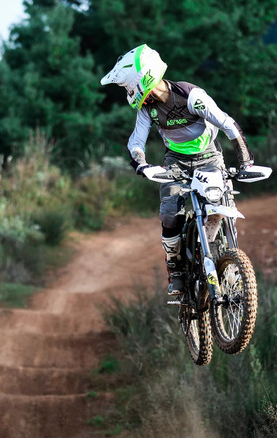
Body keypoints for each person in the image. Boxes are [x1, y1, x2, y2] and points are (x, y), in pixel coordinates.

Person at [100, 44, 257, 295]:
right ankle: (175, 267)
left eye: (127, 86)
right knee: (170, 213)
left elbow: (227, 124)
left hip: (210, 158)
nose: (127, 92)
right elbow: (136, 142)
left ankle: (229, 262)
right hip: (176, 161)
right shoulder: (147, 108)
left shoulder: (191, 95)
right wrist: (141, 163)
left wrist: (245, 162)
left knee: (223, 205)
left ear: (142, 80)